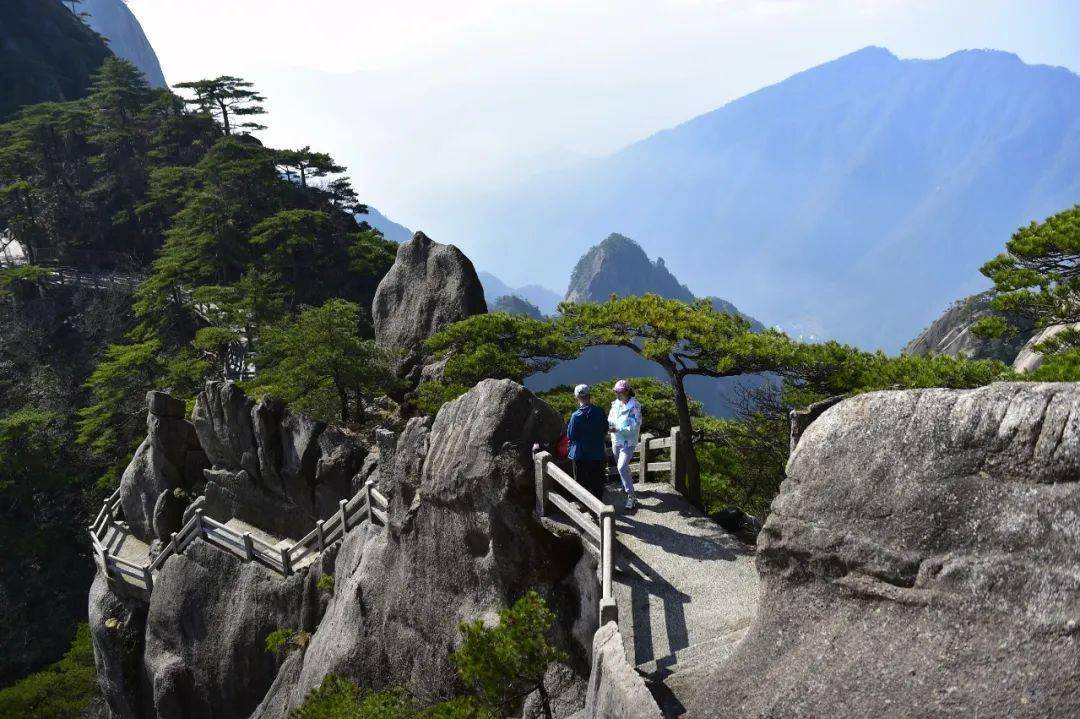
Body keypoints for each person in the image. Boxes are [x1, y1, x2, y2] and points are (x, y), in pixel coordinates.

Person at [566, 384, 608, 500]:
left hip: (581, 455)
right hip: (597, 453)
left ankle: (584, 509)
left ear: (576, 398)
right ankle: (599, 508)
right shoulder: (600, 412)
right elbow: (605, 429)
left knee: (580, 484)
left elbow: (571, 435)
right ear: (589, 396)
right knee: (597, 483)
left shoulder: (575, 416)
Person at [608, 379, 642, 510]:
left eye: (620, 392)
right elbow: (610, 418)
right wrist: (612, 426)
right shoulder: (615, 404)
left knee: (622, 467)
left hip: (628, 441)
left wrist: (617, 428)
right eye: (616, 392)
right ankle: (625, 485)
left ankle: (631, 496)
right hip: (616, 440)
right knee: (621, 467)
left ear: (627, 391)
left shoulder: (635, 406)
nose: (618, 394)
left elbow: (633, 428)